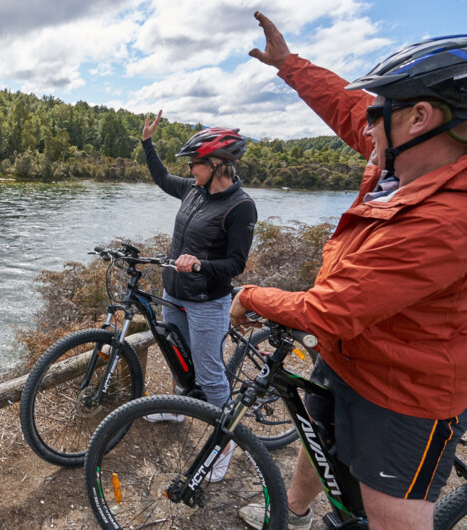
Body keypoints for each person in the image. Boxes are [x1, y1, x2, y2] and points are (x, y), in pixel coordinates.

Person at [234, 12, 467, 530]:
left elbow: (331, 310)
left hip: (406, 390)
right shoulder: (399, 161)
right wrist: (290, 65)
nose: (366, 121)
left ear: (420, 117)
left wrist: (251, 296)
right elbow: (346, 105)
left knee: (392, 515)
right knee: (318, 438)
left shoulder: (448, 218)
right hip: (351, 355)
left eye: (380, 110)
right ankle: (294, 512)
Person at [141, 113, 257, 480]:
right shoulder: (193, 190)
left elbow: (236, 263)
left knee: (209, 373)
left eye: (195, 164)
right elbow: (161, 178)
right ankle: (178, 409)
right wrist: (147, 144)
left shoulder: (240, 207)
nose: (190, 170)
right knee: (178, 356)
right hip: (173, 292)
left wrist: (200, 265)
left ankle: (225, 446)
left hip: (208, 301)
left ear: (217, 165)